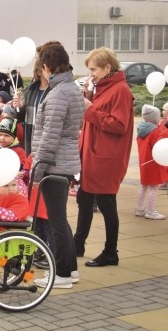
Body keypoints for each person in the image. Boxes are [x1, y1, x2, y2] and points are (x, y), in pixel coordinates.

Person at [75, 47, 134, 268]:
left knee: (106, 203)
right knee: (84, 198)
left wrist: (90, 109)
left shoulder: (120, 90)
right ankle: (78, 242)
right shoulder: (106, 87)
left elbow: (119, 124)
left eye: (94, 69)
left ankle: (111, 251)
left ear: (107, 68)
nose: (91, 73)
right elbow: (99, 113)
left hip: (106, 157)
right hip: (93, 154)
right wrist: (89, 98)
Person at [32, 41, 83, 289]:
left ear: (46, 67)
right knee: (61, 220)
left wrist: (36, 170)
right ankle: (70, 269)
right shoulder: (70, 87)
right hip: (63, 161)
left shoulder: (58, 93)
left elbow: (49, 137)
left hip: (54, 164)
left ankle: (62, 273)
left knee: (56, 221)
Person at [136, 105, 166, 220]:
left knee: (144, 186)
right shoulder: (155, 132)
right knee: (154, 187)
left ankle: (140, 209)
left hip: (144, 162)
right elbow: (158, 145)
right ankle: (151, 210)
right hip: (153, 163)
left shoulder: (141, 130)